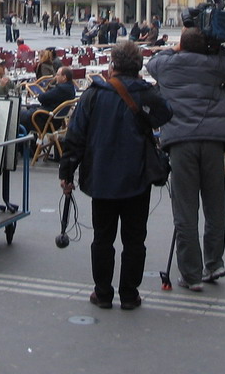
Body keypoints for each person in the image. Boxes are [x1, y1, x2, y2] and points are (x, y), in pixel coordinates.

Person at [59, 40, 172, 310]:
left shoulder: (93, 94)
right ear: (139, 67)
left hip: (101, 177)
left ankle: (103, 292)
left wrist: (67, 172)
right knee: (135, 239)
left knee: (103, 238)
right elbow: (165, 113)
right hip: (137, 177)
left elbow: (75, 136)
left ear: (112, 65)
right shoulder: (146, 93)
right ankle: (130, 294)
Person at [146, 26, 225, 290]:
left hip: (180, 141)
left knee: (185, 209)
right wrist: (217, 50)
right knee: (215, 204)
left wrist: (175, 49)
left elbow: (152, 62)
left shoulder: (166, 66)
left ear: (182, 44)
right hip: (213, 141)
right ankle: (214, 263)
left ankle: (191, 273)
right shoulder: (215, 65)